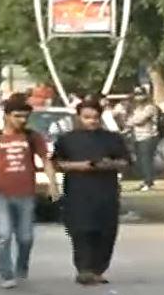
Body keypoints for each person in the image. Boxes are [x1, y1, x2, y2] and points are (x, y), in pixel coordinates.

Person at [0, 95, 59, 289]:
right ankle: (6, 274)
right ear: (6, 116)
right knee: (3, 234)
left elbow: (46, 161)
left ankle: (21, 268)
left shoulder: (32, 137)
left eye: (25, 117)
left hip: (25, 193)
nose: (22, 120)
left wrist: (52, 184)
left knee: (25, 236)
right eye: (17, 116)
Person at [51, 100, 131, 285]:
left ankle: (98, 270)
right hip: (78, 192)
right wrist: (79, 166)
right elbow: (56, 164)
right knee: (81, 231)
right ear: (78, 117)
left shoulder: (113, 138)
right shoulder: (67, 139)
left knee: (105, 233)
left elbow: (125, 162)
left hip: (106, 193)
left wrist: (108, 164)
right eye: (87, 118)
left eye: (95, 117)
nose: (91, 122)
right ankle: (84, 269)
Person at [127, 88, 160, 191]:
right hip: (138, 137)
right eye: (136, 94)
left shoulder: (150, 107)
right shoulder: (136, 108)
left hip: (148, 136)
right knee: (141, 161)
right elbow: (129, 120)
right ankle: (146, 180)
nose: (138, 97)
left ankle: (149, 182)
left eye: (140, 94)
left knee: (146, 160)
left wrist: (131, 121)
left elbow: (139, 120)